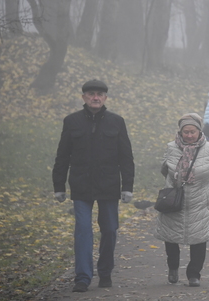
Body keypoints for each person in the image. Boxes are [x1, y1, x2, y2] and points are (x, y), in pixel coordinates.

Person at [52, 79, 135, 293]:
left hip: (109, 184)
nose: (95, 97)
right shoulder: (72, 121)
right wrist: (58, 185)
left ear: (105, 98)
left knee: (109, 230)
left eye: (99, 94)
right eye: (91, 94)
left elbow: (126, 157)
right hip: (80, 184)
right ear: (84, 97)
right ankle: (83, 277)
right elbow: (62, 155)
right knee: (83, 230)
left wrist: (127, 186)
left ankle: (105, 272)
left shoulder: (117, 121)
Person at [155, 113, 209, 287]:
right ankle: (173, 267)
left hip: (199, 201)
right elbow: (164, 170)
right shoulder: (171, 148)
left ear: (199, 132)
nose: (189, 135)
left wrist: (200, 186)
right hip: (174, 200)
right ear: (180, 132)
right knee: (171, 236)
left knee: (198, 238)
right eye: (186, 132)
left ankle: (194, 274)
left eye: (193, 132)